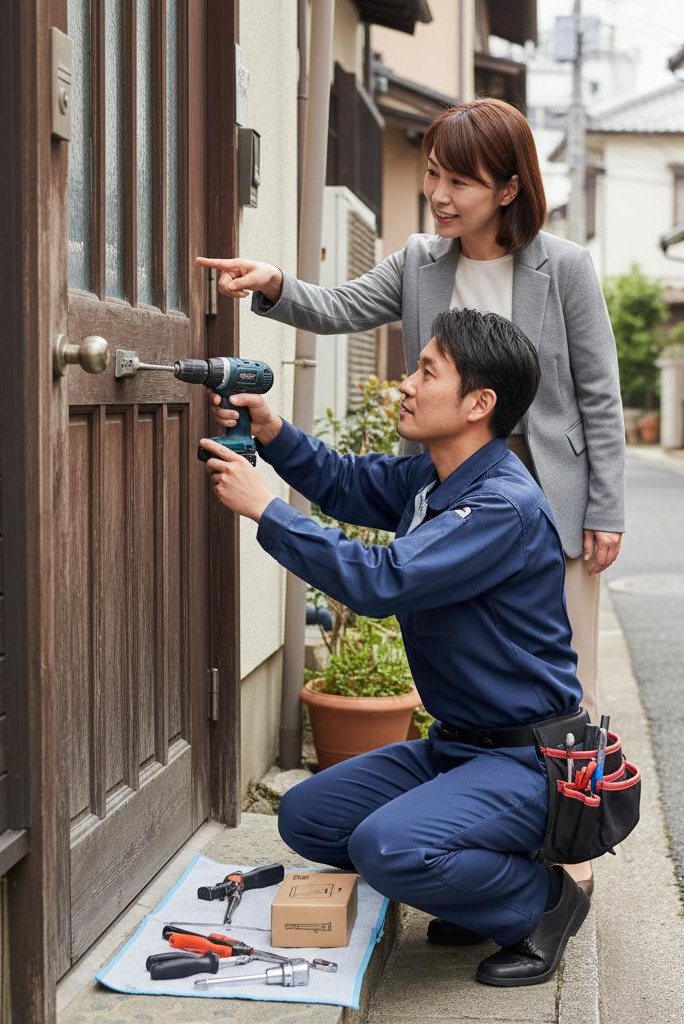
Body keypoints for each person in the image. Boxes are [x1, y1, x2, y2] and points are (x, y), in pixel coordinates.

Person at [197, 97, 625, 894]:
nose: (438, 193)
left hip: (542, 492)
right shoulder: (423, 260)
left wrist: (607, 507)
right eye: (433, 174)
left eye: (459, 180)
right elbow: (341, 308)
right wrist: (277, 284)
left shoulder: (562, 266)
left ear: (507, 188)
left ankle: (566, 842)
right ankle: (466, 827)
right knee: (462, 654)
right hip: (446, 474)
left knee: (556, 679)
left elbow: (598, 391)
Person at [200, 308, 590, 986]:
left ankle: (541, 903)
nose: (406, 384)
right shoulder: (435, 480)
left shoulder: (499, 508)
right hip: (456, 749)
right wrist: (273, 432)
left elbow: (382, 581)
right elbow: (348, 483)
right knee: (309, 818)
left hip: (527, 761)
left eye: (427, 372)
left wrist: (266, 508)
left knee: (386, 847)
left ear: (479, 404)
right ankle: (478, 886)